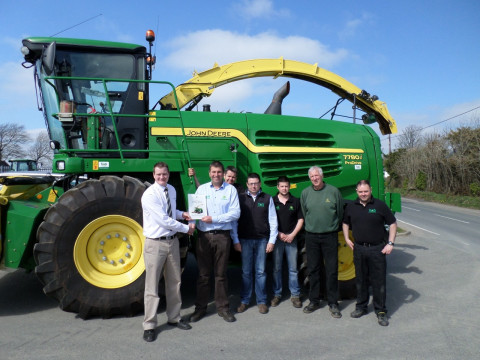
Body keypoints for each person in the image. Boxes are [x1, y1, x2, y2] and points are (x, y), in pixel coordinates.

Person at [141, 162, 195, 342]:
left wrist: (183, 214)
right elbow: (163, 220)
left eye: (164, 174)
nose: (162, 177)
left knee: (175, 282)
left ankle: (174, 317)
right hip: (155, 244)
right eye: (158, 175)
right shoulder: (149, 195)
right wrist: (186, 228)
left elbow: (170, 213)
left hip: (172, 243)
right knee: (152, 286)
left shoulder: (171, 189)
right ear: (153, 174)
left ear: (168, 174)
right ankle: (149, 325)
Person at [189, 161, 241, 323]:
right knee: (203, 275)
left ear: (223, 173)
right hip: (204, 237)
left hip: (222, 237)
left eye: (219, 172)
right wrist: (192, 223)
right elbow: (195, 211)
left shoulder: (231, 190)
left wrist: (214, 219)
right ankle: (200, 309)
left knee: (221, 275)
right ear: (209, 173)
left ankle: (223, 308)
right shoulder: (202, 189)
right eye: (213, 172)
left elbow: (235, 213)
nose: (216, 175)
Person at [342, 180, 397, 326]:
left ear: (370, 190)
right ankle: (361, 307)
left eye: (366, 191)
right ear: (356, 191)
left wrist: (390, 243)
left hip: (377, 249)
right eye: (360, 192)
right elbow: (345, 222)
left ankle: (381, 311)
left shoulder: (379, 205)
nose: (363, 194)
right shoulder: (351, 206)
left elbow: (392, 223)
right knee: (360, 280)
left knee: (379, 282)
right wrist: (347, 238)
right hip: (359, 249)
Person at [300, 166, 343, 318]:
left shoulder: (333, 191)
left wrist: (331, 227)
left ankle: (333, 303)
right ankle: (314, 300)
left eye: (317, 176)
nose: (314, 178)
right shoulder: (305, 193)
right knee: (313, 270)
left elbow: (340, 212)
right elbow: (305, 213)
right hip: (311, 237)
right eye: (312, 176)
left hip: (329, 236)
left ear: (322, 176)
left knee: (331, 270)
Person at [233, 173, 278, 314]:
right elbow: (234, 221)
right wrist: (235, 240)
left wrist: (271, 241)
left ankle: (262, 301)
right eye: (251, 183)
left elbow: (273, 221)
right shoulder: (240, 198)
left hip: (261, 240)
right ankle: (245, 300)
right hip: (245, 240)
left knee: (261, 272)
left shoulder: (267, 198)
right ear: (247, 184)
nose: (253, 185)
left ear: (260, 184)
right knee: (246, 272)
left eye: (256, 183)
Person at [271, 176, 304, 308]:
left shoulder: (295, 201)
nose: (284, 188)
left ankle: (295, 295)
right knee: (276, 268)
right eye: (282, 186)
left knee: (293, 269)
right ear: (277, 187)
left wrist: (292, 235)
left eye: (286, 186)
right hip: (277, 239)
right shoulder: (272, 201)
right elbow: (269, 220)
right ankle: (277, 294)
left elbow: (300, 220)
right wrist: (279, 234)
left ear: (289, 187)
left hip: (292, 239)